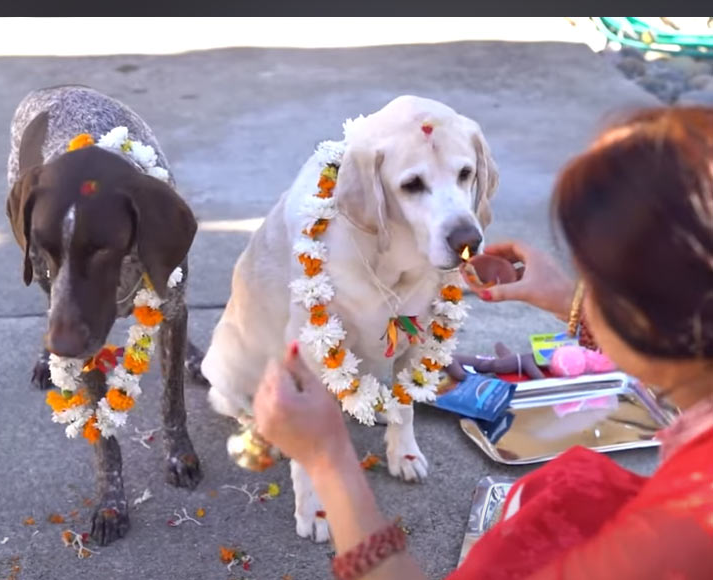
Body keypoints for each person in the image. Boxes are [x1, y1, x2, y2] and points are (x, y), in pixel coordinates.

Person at [252, 106, 713, 580]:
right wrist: (569, 302)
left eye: (594, 281)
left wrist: (330, 462)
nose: (584, 296)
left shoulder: (683, 529)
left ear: (657, 319)